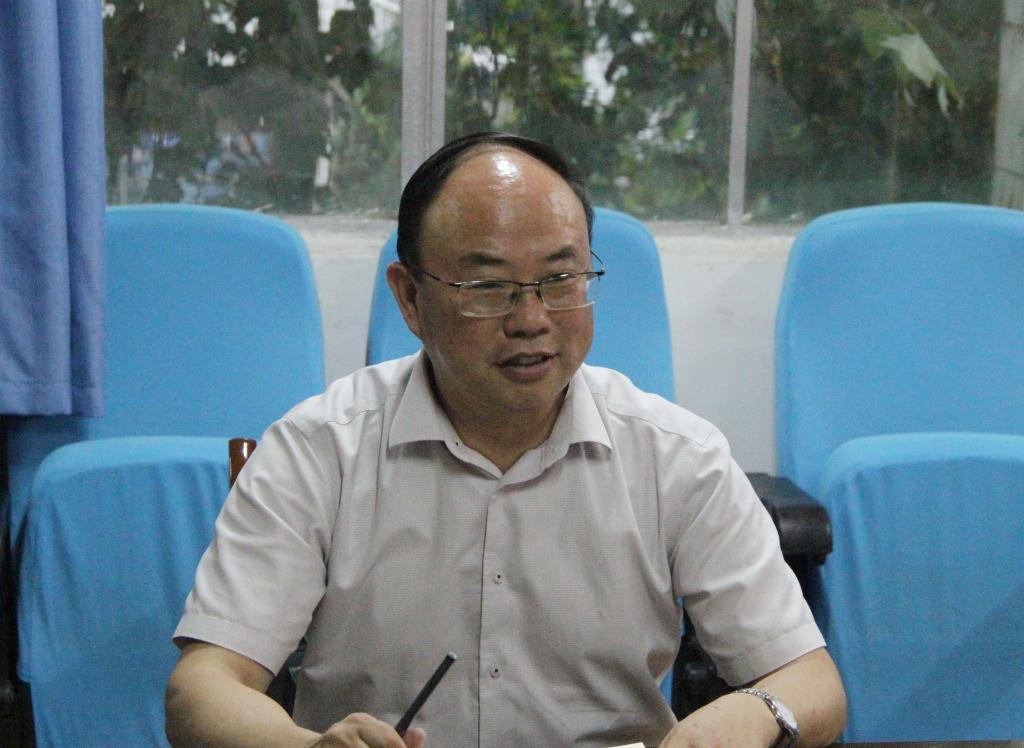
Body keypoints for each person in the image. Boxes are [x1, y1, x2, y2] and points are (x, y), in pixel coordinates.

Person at [166, 132, 846, 747]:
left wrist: (757, 712)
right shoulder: (318, 451)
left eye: (560, 279)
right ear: (410, 298)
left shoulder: (676, 456)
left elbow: (811, 681)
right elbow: (200, 690)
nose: (531, 319)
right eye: (488, 286)